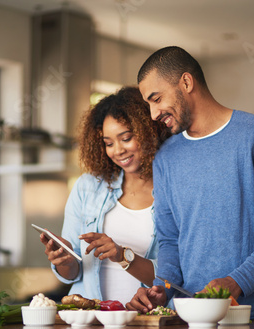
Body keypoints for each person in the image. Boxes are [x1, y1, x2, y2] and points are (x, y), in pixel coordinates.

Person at [126, 46, 254, 321]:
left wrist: (236, 282)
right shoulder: (165, 158)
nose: (153, 114)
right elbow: (170, 240)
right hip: (189, 318)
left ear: (186, 82)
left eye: (156, 98)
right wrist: (161, 288)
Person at [40, 86, 169, 305]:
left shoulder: (174, 191)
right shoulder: (87, 188)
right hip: (90, 320)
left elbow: (172, 279)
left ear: (149, 131)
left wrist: (122, 255)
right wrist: (64, 259)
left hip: (145, 320)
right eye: (108, 143)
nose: (117, 150)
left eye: (126, 138)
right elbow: (73, 272)